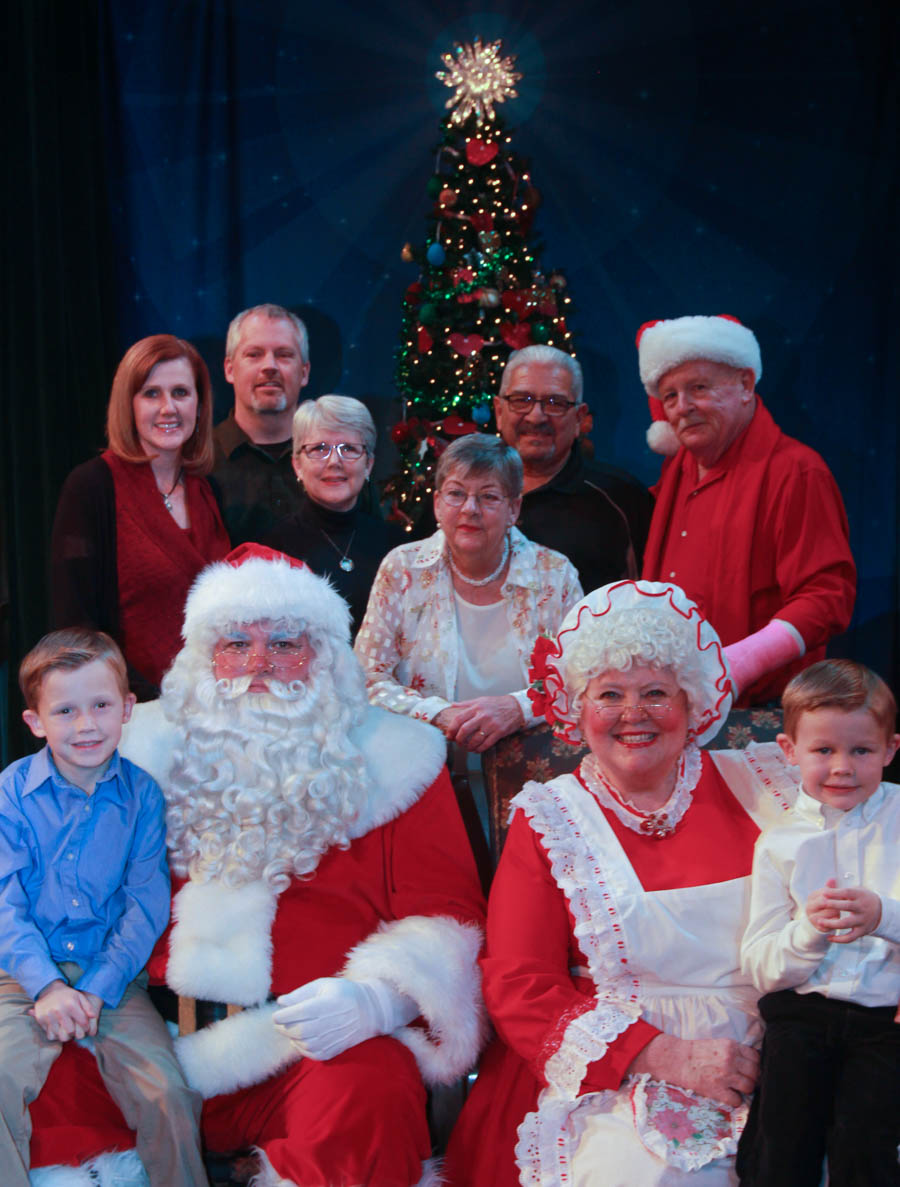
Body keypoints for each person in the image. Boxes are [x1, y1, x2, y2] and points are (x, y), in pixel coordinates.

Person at [28, 544, 486, 1187]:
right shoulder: (128, 749)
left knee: (372, 1094)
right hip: (134, 1027)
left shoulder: (398, 760)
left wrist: (378, 999)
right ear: (202, 657)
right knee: (38, 1075)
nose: (258, 666)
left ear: (323, 654)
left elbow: (448, 914)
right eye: (235, 643)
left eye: (285, 644)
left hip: (301, 1043)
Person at [446, 580, 798, 1187]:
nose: (633, 714)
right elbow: (520, 984)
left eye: (656, 692)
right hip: (624, 1067)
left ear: (691, 704)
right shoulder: (550, 817)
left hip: (789, 1046)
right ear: (578, 711)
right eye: (610, 694)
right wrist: (660, 1055)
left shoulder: (772, 781)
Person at [0, 629, 204, 1187]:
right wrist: (46, 986)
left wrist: (96, 989)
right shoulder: (10, 794)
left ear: (127, 709)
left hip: (109, 980)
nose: (86, 724)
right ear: (36, 722)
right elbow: (5, 906)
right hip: (20, 981)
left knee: (168, 1091)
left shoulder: (142, 797)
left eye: (100, 706)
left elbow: (145, 906)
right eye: (65, 710)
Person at [638, 314, 856, 707]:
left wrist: (740, 663)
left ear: (745, 385)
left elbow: (826, 596)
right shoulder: (678, 469)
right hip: (674, 707)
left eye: (698, 388)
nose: (682, 408)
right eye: (669, 396)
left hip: (761, 714)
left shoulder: (797, 471)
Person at [738, 660, 900, 1187]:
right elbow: (760, 966)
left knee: (866, 1147)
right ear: (789, 752)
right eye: (823, 750)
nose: (842, 768)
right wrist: (807, 932)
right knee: (779, 1146)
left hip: (883, 1021)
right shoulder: (778, 843)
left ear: (890, 749)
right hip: (801, 1014)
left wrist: (885, 915)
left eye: (862, 750)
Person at [355, 434, 582, 755]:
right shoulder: (402, 569)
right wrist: (438, 714)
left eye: (488, 497)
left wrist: (518, 709)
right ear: (437, 503)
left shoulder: (555, 575)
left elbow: (582, 677)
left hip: (533, 769)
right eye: (456, 494)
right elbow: (366, 679)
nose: (470, 509)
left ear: (514, 508)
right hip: (423, 765)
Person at [50, 334, 230, 701]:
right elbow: (76, 623)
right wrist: (146, 699)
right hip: (129, 710)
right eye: (151, 394)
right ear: (128, 405)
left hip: (215, 708)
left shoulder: (208, 489)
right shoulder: (91, 486)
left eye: (180, 392)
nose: (168, 408)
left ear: (199, 403)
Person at [494, 345, 653, 593]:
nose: (536, 417)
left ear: (579, 418)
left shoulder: (622, 499)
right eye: (521, 400)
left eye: (555, 402)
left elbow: (653, 604)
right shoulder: (462, 495)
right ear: (498, 411)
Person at [263, 395, 404, 633]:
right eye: (319, 449)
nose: (334, 461)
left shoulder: (396, 547)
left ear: (368, 464)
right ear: (297, 465)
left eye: (349, 448)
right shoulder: (273, 552)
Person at [210, 302, 312, 545]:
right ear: (229, 369)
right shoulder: (197, 461)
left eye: (284, 355)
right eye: (254, 354)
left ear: (305, 372)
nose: (269, 366)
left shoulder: (334, 459)